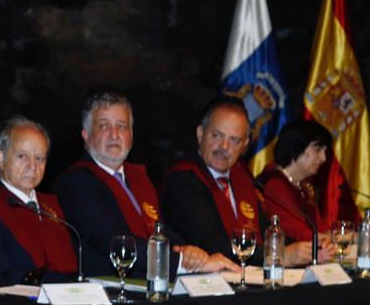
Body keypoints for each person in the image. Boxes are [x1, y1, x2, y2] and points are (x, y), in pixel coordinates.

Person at [54, 91, 237, 278]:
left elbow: (159, 228)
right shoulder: (76, 182)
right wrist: (184, 262)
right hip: (108, 293)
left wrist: (189, 251)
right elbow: (115, 242)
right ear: (86, 134)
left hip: (150, 285)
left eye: (122, 126)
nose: (114, 135)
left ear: (131, 134)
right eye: (104, 126)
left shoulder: (138, 177)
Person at [161, 97, 329, 267]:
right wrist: (277, 255)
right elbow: (211, 244)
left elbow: (265, 231)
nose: (224, 147)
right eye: (217, 135)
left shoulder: (242, 178)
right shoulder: (183, 179)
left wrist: (307, 249)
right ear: (200, 134)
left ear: (245, 145)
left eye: (234, 140)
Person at [0, 116, 76, 287]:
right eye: (22, 156)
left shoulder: (52, 208)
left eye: (39, 158)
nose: (32, 166)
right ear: (0, 158)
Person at [256, 119, 335, 249]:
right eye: (318, 149)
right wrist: (331, 238)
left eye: (325, 151)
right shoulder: (274, 184)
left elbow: (321, 228)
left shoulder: (300, 185)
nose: (323, 158)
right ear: (297, 146)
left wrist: (344, 236)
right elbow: (295, 232)